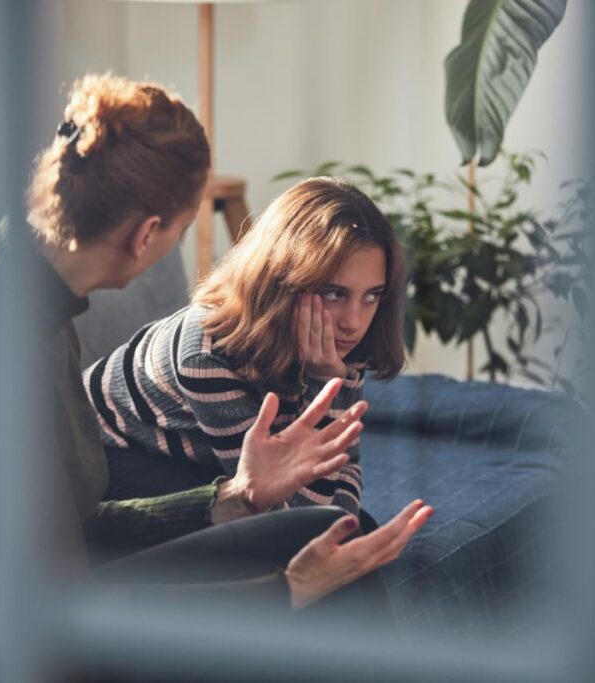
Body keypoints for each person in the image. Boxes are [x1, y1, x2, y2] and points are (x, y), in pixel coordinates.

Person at [0, 73, 431, 682]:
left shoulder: (33, 305)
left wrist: (234, 496)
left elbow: (75, 531)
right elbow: (58, 605)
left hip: (17, 595)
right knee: (321, 579)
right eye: (181, 227)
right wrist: (283, 590)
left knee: (327, 530)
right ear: (148, 234)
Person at [86, 177, 407, 525]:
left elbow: (339, 477)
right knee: (291, 535)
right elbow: (286, 515)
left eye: (372, 295)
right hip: (108, 457)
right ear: (283, 280)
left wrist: (329, 379)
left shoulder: (338, 340)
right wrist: (326, 383)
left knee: (357, 529)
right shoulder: (207, 353)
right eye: (334, 293)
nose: (354, 321)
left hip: (208, 459)